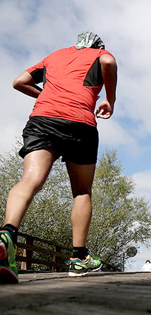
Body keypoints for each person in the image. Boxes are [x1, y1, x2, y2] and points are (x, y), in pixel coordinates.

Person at [0, 31, 117, 283]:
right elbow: (108, 63)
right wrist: (110, 99)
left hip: (42, 120)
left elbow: (19, 81)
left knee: (29, 180)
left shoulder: (54, 56)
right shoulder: (99, 54)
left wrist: (44, 95)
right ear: (98, 45)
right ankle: (78, 257)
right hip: (79, 123)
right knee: (82, 191)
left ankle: (7, 235)